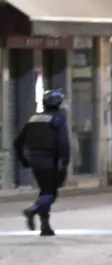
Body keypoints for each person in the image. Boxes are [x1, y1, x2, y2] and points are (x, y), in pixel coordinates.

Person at [14, 89, 70, 236]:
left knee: (44, 191)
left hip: (35, 160)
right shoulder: (57, 119)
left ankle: (45, 226)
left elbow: (17, 142)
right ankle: (33, 210)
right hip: (50, 161)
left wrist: (23, 159)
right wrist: (64, 162)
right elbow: (63, 142)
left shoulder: (32, 119)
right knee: (51, 193)